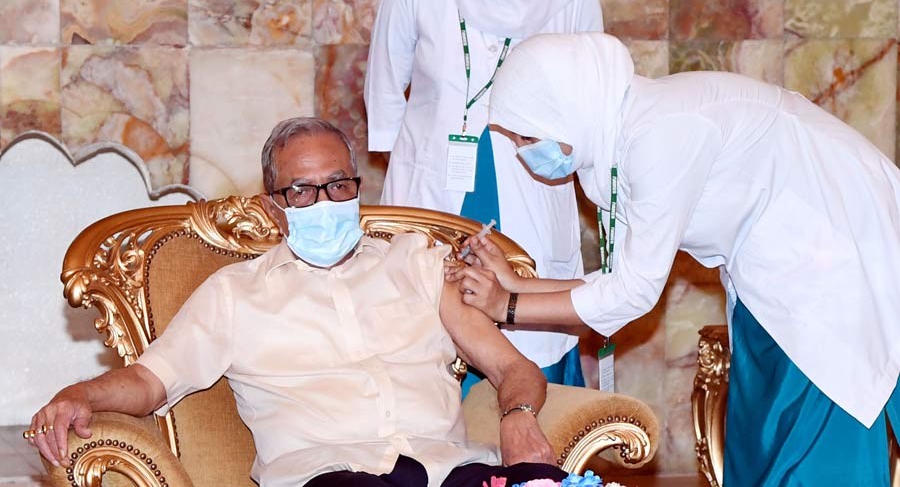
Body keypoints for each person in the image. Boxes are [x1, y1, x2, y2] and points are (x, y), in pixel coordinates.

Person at [447, 32, 900, 485]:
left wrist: (505, 305)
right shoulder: (621, 141)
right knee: (763, 439)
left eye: (528, 135)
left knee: (808, 447)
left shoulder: (659, 134)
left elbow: (633, 294)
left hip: (829, 266)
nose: (526, 152)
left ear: (565, 109)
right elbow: (616, 280)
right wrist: (515, 286)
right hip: (776, 276)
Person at [25, 117, 570, 487]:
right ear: (275, 207)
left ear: (357, 188)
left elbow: (511, 366)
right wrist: (79, 394)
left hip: (449, 470)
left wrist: (519, 417)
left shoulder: (418, 263)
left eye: (338, 186)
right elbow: (149, 382)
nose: (324, 202)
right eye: (302, 191)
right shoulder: (235, 294)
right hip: (328, 475)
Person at [364, 0, 603, 394]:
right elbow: (385, 84)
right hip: (434, 182)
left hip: (530, 181)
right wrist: (395, 145)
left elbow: (591, 101)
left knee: (528, 336)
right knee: (427, 331)